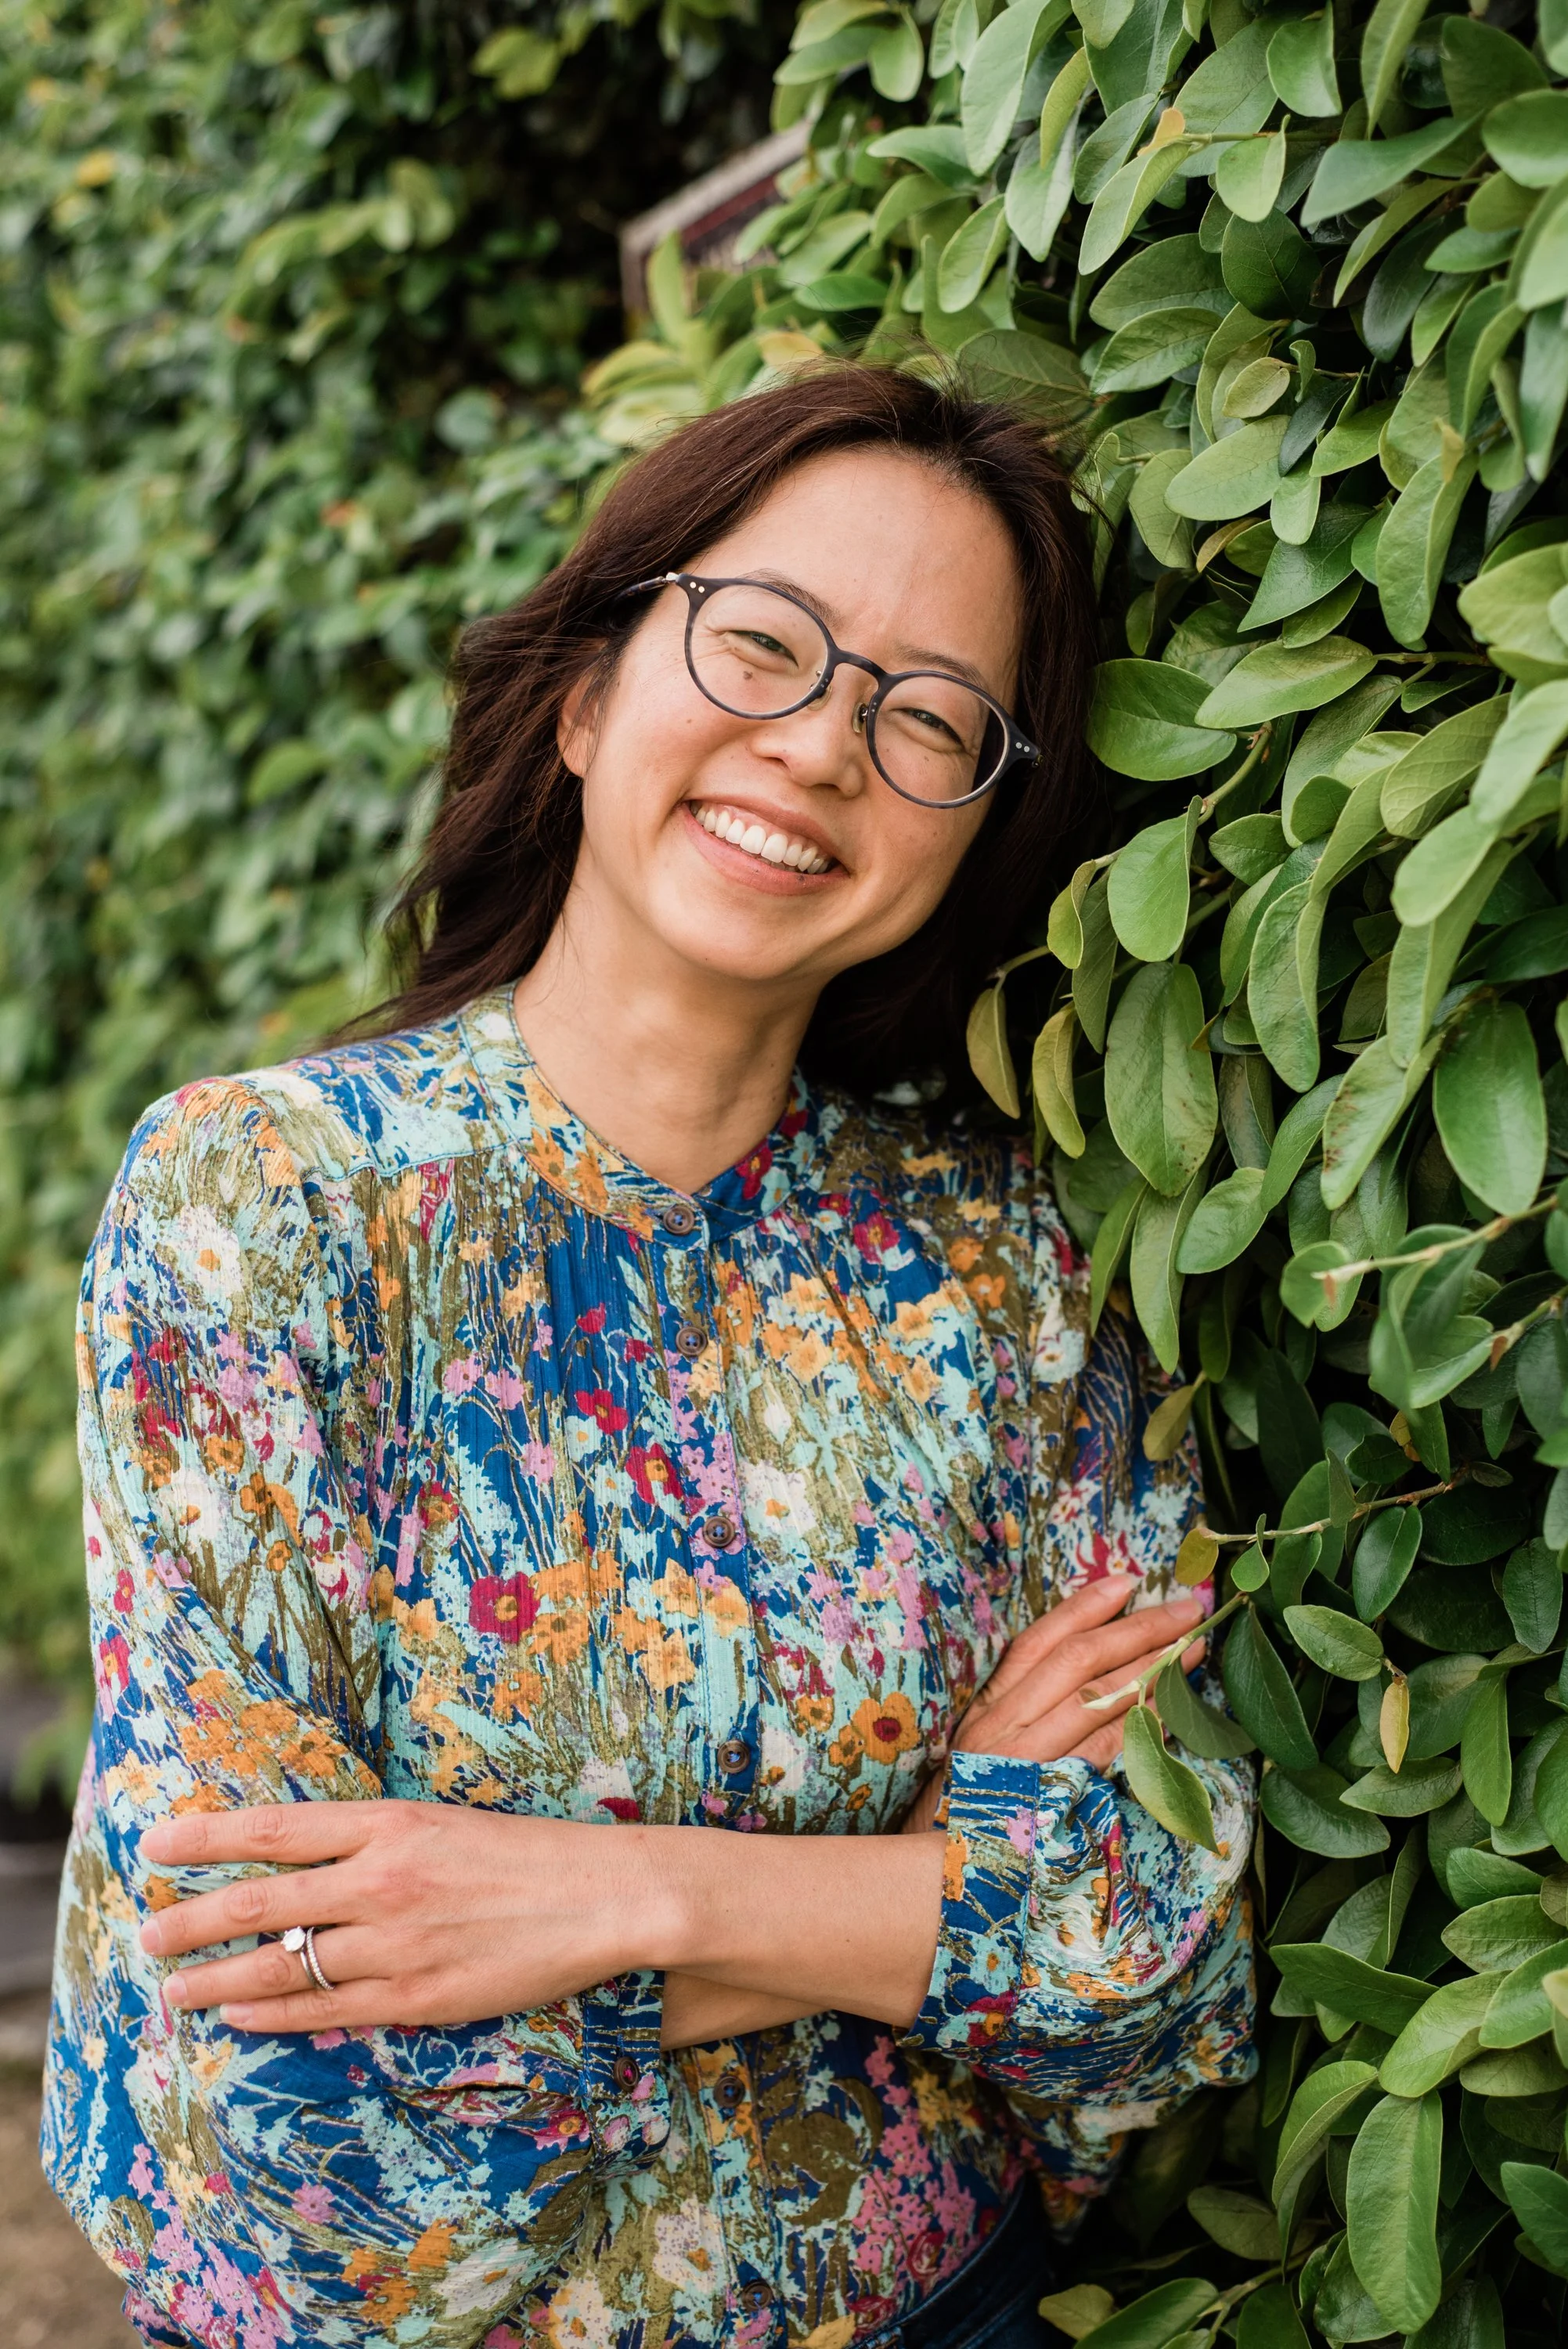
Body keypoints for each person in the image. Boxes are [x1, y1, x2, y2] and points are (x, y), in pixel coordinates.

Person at [42, 363, 1255, 2349]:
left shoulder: (1006, 1265)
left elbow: (1155, 1944)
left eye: (926, 717)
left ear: (970, 824)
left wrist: (619, 1900)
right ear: (593, 691)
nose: (820, 749)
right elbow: (281, 2102)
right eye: (763, 644)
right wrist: (924, 1888)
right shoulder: (261, 1209)